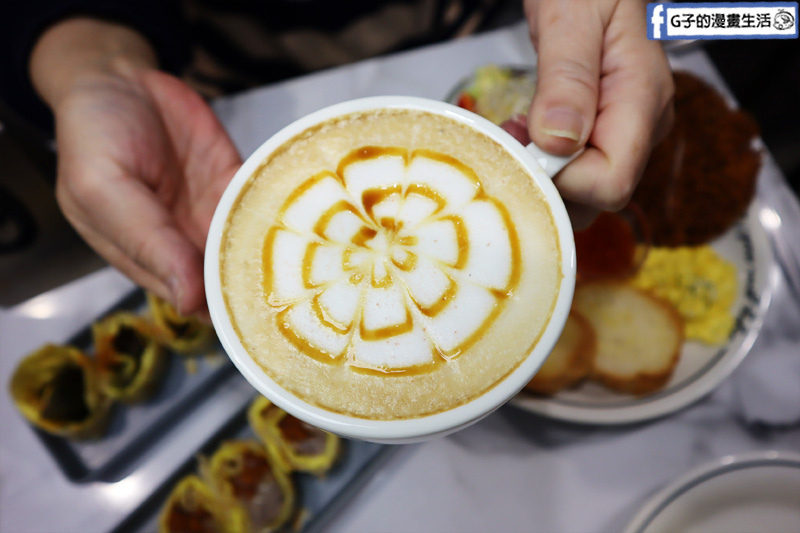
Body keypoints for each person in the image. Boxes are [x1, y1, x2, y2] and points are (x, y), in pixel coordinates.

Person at [2, 0, 674, 319]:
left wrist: (657, 14)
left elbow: (768, 15)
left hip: (494, 32)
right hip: (219, 105)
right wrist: (88, 58)